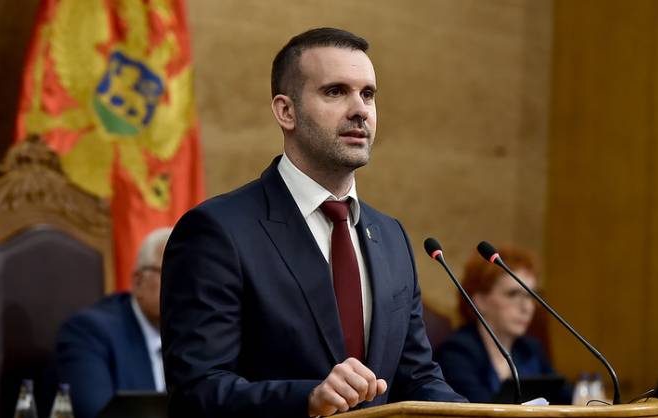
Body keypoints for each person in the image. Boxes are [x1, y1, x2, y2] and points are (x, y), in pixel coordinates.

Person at [161, 27, 466, 418]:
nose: (360, 110)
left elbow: (418, 379)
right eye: (335, 92)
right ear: (286, 112)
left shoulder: (391, 237)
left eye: (368, 94)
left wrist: (487, 414)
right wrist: (307, 398)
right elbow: (197, 391)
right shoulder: (217, 232)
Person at [54, 227, 172, 418]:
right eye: (173, 274)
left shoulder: (198, 334)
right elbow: (97, 414)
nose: (187, 288)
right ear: (138, 282)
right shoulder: (89, 332)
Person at [434, 246, 555, 403]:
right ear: (479, 301)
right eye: (513, 294)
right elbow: (480, 410)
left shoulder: (530, 349)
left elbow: (566, 397)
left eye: (530, 295)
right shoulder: (456, 353)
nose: (527, 307)